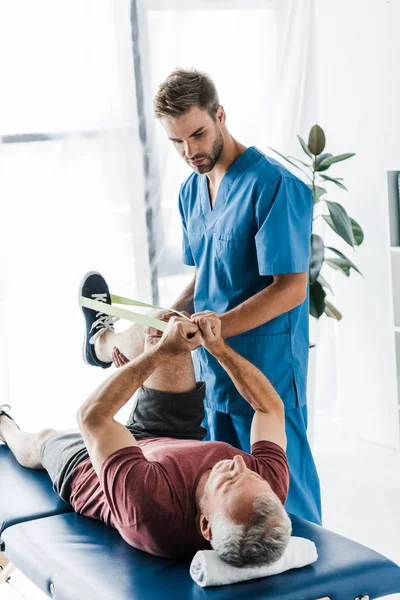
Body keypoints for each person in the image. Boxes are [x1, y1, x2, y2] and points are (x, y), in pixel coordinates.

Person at [84, 68, 321, 525]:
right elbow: (205, 280)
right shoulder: (192, 191)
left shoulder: (274, 185)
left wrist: (218, 330)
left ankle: (317, 589)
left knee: (280, 494)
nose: (190, 152)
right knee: (223, 491)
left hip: (265, 367)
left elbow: (291, 288)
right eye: (177, 142)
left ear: (220, 115)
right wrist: (167, 323)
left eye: (198, 134)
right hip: (212, 369)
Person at [0, 285, 291, 565]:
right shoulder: (265, 490)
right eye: (254, 476)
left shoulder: (150, 509)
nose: (239, 463)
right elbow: (269, 409)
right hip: (175, 437)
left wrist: (158, 355)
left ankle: (4, 425)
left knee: (43, 441)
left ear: (205, 524)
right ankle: (101, 342)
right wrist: (217, 347)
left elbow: (92, 416)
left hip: (91, 468)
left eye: (228, 481)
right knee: (163, 323)